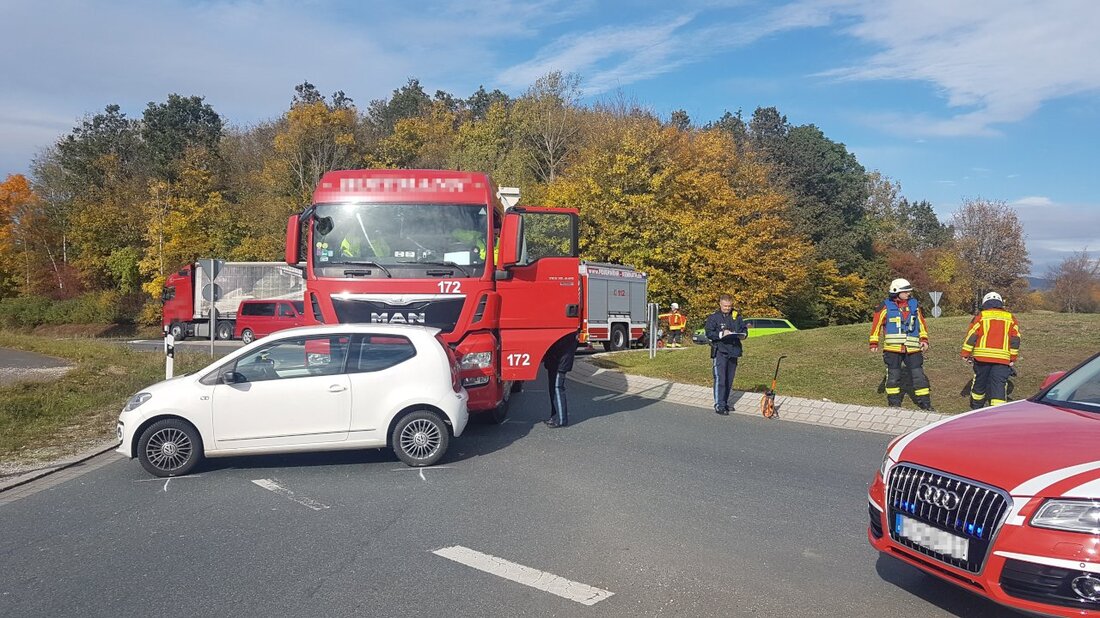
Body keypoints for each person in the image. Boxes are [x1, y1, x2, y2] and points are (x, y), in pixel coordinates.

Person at [869, 278, 934, 410]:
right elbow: (876, 325)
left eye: (909, 291)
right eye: (905, 292)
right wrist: (873, 343)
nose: (908, 294)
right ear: (896, 292)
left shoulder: (914, 305)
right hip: (892, 349)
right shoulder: (885, 306)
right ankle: (894, 404)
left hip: (913, 348)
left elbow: (921, 324)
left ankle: (925, 404)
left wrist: (924, 340)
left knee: (918, 376)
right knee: (893, 376)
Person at [961, 291, 1021, 408]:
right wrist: (1012, 357)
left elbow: (972, 335)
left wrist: (965, 353)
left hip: (981, 358)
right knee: (999, 385)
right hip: (1002, 360)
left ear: (985, 303)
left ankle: (976, 407)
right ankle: (997, 412)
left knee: (979, 382)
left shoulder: (981, 316)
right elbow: (1015, 339)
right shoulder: (1010, 318)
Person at [704, 294, 746, 415]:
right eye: (725, 306)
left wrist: (743, 334)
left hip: (734, 351)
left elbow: (743, 329)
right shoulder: (714, 317)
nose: (727, 308)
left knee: (729, 379)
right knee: (720, 379)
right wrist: (721, 334)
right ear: (720, 304)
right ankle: (719, 404)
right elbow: (709, 333)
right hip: (720, 351)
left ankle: (725, 402)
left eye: (729, 306)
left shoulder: (736, 316)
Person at [543, 331, 579, 428]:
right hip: (555, 362)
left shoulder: (567, 333)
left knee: (557, 388)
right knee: (553, 389)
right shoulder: (569, 332)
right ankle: (554, 416)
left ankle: (561, 419)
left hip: (560, 363)